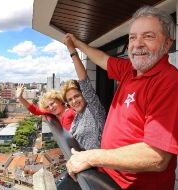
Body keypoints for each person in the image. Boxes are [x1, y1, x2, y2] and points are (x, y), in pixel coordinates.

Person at [64, 5, 178, 190]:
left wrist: (91, 156)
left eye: (148, 36)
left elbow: (156, 157)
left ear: (167, 44)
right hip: (106, 176)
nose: (137, 44)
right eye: (133, 37)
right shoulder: (130, 70)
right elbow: (101, 58)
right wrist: (76, 44)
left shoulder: (171, 83)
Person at [55, 29, 107, 190]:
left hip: (97, 171)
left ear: (84, 95)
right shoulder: (77, 117)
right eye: (70, 99)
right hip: (81, 170)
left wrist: (72, 50)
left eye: (77, 96)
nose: (74, 101)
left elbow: (84, 80)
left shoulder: (94, 110)